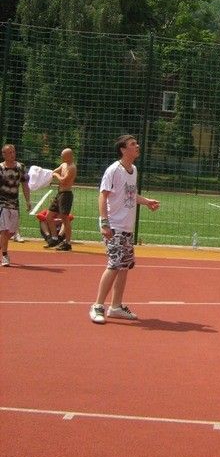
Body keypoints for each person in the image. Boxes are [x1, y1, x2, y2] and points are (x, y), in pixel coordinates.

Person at [89, 135, 159, 324]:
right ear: (123, 149)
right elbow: (103, 196)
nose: (137, 146)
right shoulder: (114, 170)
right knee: (114, 265)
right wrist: (104, 223)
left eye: (136, 143)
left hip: (127, 227)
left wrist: (146, 201)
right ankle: (97, 306)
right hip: (114, 226)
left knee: (124, 266)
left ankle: (116, 307)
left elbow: (130, 195)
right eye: (132, 144)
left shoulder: (133, 170)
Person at [0, 144, 31, 267]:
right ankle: (5, 255)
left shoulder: (20, 167)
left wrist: (28, 201)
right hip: (2, 203)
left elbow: (25, 185)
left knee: (12, 232)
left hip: (14, 204)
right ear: (4, 154)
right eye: (9, 152)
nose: (12, 154)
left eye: (13, 152)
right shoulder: (1, 168)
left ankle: (2, 245)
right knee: (4, 230)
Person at [45, 148, 77, 251]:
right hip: (59, 193)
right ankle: (54, 238)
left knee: (65, 219)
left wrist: (56, 175)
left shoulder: (72, 167)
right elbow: (53, 172)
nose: (61, 157)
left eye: (63, 155)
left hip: (66, 194)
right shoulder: (63, 165)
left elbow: (63, 181)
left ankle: (67, 243)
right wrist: (44, 176)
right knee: (49, 216)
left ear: (69, 156)